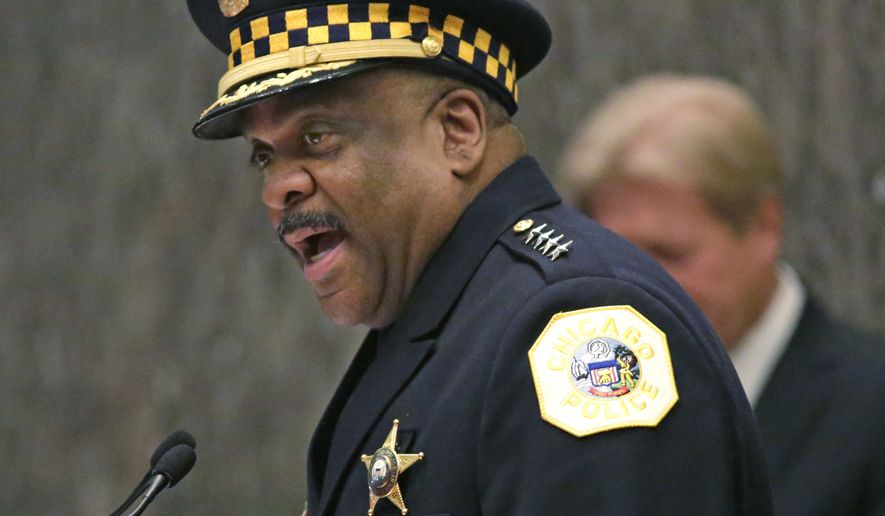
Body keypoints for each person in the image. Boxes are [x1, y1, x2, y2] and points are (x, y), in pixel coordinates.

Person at [187, 2, 772, 514]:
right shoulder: (451, 319)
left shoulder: (573, 329)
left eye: (317, 137)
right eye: (264, 157)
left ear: (457, 131)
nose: (278, 189)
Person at [560, 73, 885, 516]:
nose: (634, 292)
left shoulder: (870, 409)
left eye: (668, 255)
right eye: (614, 260)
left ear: (764, 226)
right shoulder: (571, 400)